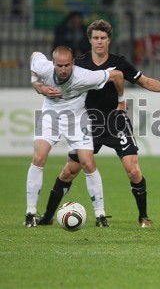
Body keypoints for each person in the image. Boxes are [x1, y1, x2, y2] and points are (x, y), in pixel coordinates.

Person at [36, 19, 160, 228]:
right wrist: (42, 88)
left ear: (109, 40)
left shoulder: (119, 62)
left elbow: (144, 81)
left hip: (116, 120)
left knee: (132, 169)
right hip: (89, 122)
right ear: (90, 40)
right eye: (95, 38)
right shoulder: (78, 63)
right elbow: (56, 79)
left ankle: (143, 217)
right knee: (70, 170)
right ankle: (48, 216)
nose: (99, 42)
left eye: (103, 38)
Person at [25, 46, 124, 227]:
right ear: (53, 64)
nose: (63, 70)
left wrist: (121, 100)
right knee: (39, 158)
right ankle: (30, 212)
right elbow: (34, 55)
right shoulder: (44, 68)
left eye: (67, 65)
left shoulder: (84, 76)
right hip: (50, 117)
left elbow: (117, 75)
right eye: (59, 66)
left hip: (78, 120)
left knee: (88, 163)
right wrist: (36, 84)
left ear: (73, 63)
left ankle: (100, 215)